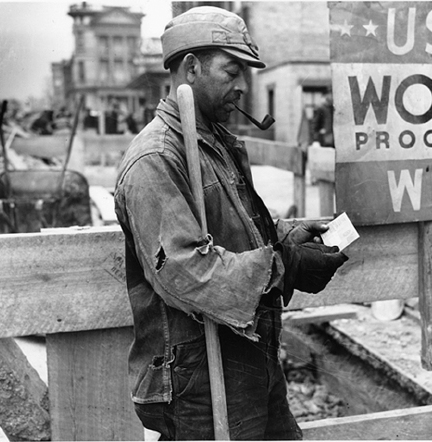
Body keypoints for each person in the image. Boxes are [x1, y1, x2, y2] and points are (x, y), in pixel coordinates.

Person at [114, 6, 348, 440]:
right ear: (191, 67)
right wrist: (285, 266)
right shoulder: (157, 158)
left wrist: (288, 239)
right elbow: (185, 270)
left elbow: (237, 226)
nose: (243, 86)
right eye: (232, 71)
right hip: (200, 374)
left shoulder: (212, 143)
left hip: (246, 354)